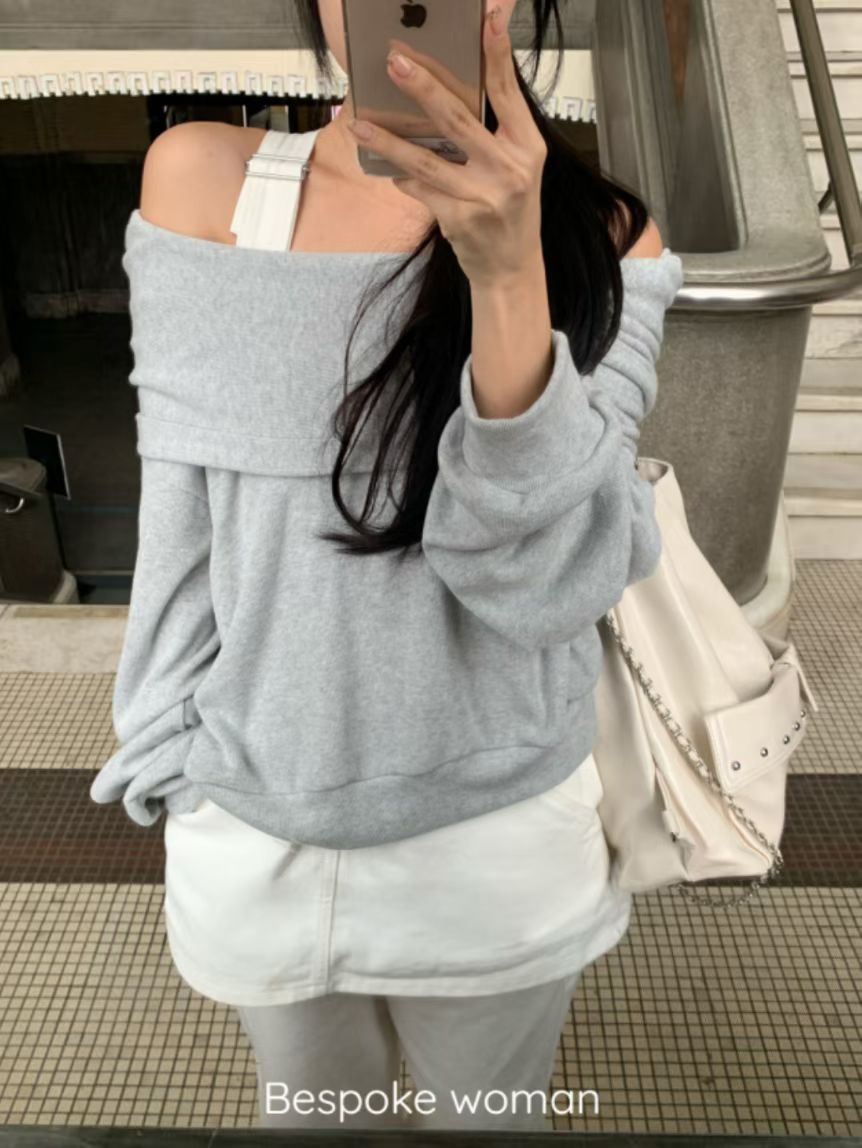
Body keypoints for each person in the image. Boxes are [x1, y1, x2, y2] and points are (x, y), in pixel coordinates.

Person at [90, 0, 684, 1133]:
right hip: (251, 815)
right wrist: (170, 756)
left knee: (488, 1122)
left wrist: (506, 277)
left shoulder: (608, 239)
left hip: (498, 829)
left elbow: (547, 584)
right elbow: (180, 524)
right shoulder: (202, 182)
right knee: (316, 1120)